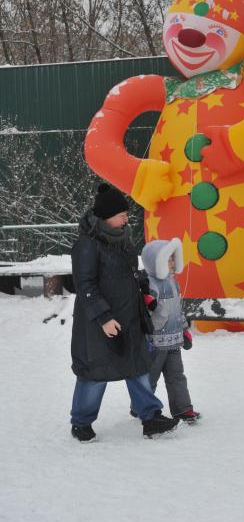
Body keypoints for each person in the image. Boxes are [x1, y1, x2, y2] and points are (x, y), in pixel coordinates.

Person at [70, 183, 179, 442]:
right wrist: (104, 317)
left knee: (137, 367)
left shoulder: (122, 241)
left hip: (129, 317)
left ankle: (151, 417)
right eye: (121, 214)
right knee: (96, 373)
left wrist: (144, 291)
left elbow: (128, 275)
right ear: (106, 216)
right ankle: (81, 422)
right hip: (100, 323)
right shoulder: (87, 245)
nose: (125, 218)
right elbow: (85, 285)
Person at [131, 237, 200, 423]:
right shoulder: (149, 285)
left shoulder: (174, 282)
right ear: (156, 262)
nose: (172, 262)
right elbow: (145, 313)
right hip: (155, 343)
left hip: (174, 341)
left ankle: (182, 409)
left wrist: (184, 329)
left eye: (173, 258)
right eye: (168, 259)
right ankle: (141, 406)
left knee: (177, 376)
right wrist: (148, 301)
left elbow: (177, 310)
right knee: (150, 378)